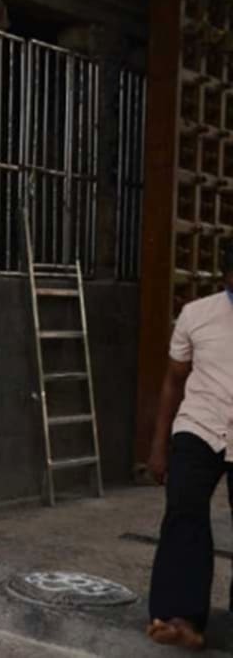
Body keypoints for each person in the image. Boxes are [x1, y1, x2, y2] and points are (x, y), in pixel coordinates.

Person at [146, 246, 233, 651]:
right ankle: (180, 618)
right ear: (226, 276)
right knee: (183, 512)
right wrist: (159, 445)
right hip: (199, 426)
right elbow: (173, 382)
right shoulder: (197, 315)